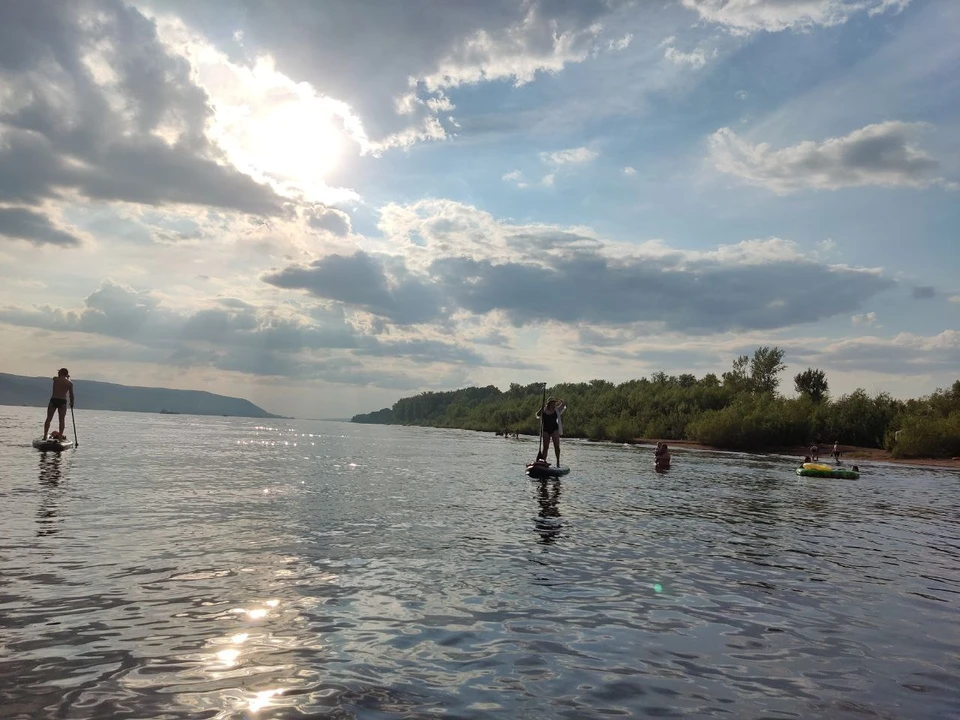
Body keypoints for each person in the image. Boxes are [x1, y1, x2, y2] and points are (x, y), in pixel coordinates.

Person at [43, 368, 74, 441]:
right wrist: (72, 403)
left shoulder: (55, 379)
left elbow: (57, 377)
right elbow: (71, 395)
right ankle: (60, 438)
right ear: (66, 374)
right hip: (62, 401)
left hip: (54, 400)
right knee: (62, 420)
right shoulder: (69, 383)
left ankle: (45, 435)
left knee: (49, 419)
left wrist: (65, 376)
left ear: (60, 373)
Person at [536, 396, 567, 467]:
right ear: (549, 403)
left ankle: (558, 461)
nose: (554, 404)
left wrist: (561, 400)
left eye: (555, 403)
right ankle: (543, 461)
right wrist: (541, 407)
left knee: (557, 446)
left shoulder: (557, 410)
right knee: (545, 447)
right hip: (545, 430)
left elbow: (564, 405)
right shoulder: (544, 410)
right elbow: (537, 415)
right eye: (553, 403)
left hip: (554, 429)